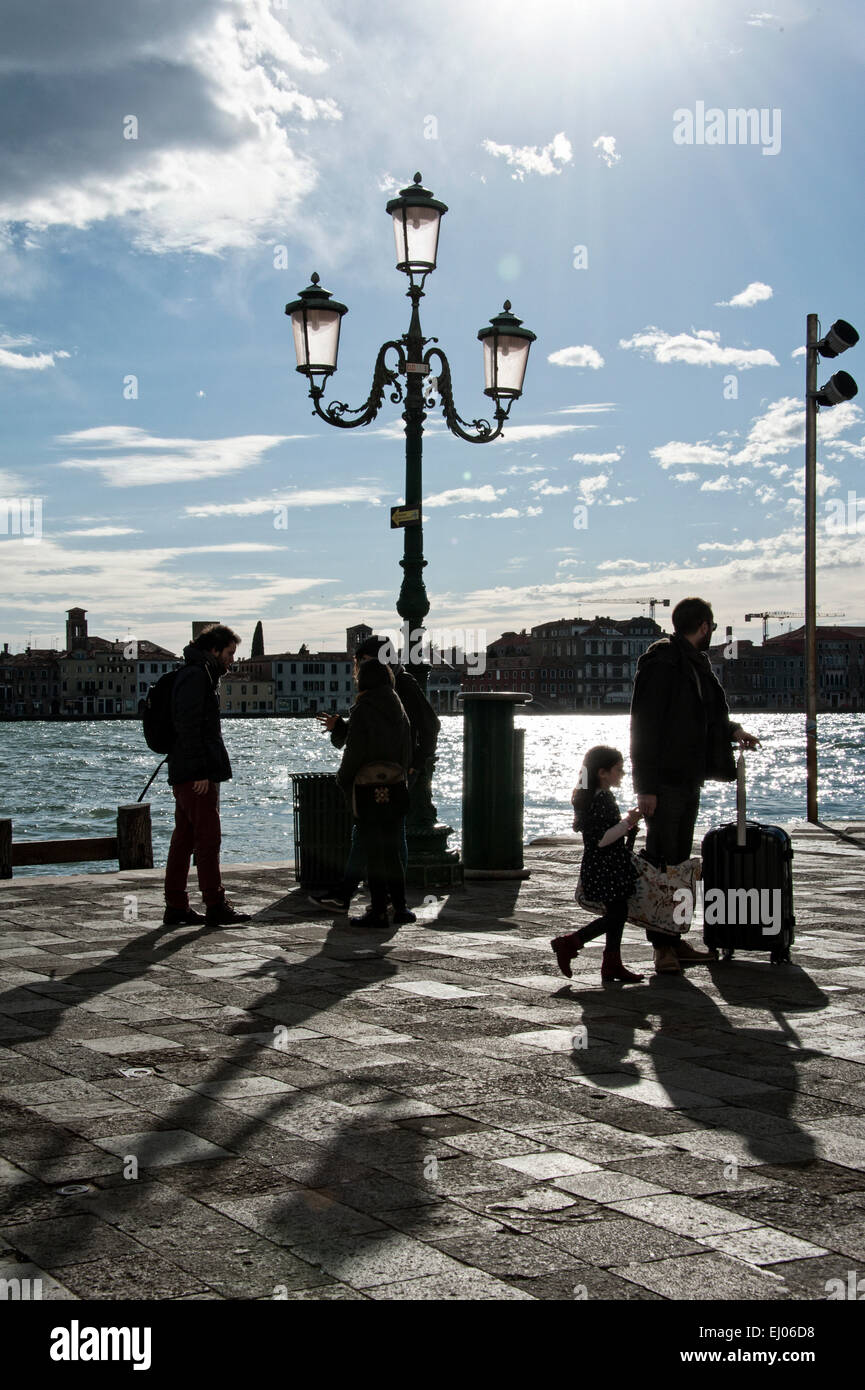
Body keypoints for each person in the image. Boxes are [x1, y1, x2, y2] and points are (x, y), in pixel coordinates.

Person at [630, 596, 760, 975]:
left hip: (688, 779)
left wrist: (734, 731)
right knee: (664, 864)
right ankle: (662, 947)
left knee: (680, 864)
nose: (712, 633)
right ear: (703, 626)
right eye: (712, 627)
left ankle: (674, 937)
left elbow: (710, 714)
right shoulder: (662, 663)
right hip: (665, 782)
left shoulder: (695, 664)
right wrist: (645, 788)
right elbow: (644, 727)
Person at [311, 634, 440, 911]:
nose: (358, 667)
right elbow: (368, 732)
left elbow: (430, 725)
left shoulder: (402, 684)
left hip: (396, 771)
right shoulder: (379, 688)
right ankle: (386, 898)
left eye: (363, 661)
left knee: (383, 833)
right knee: (381, 833)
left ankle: (365, 896)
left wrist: (416, 762)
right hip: (380, 771)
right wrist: (340, 727)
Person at [163, 624, 250, 928]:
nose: (231, 660)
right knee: (208, 839)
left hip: (185, 770)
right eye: (229, 653)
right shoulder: (198, 675)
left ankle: (176, 905)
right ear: (214, 650)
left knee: (184, 839)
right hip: (194, 774)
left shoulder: (197, 673)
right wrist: (200, 770)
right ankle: (215, 904)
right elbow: (188, 725)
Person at [551, 745, 644, 983]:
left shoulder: (591, 797)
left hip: (603, 864)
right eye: (618, 770)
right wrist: (629, 822)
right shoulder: (600, 800)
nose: (622, 774)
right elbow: (602, 839)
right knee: (617, 913)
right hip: (606, 865)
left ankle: (612, 962)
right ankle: (571, 942)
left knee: (617, 910)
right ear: (603, 773)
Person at [335, 658, 415, 928]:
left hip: (368, 788)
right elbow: (407, 750)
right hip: (395, 785)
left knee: (373, 850)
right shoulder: (398, 707)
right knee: (392, 851)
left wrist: (342, 779)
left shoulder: (363, 708)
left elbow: (354, 750)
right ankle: (401, 907)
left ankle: (378, 910)